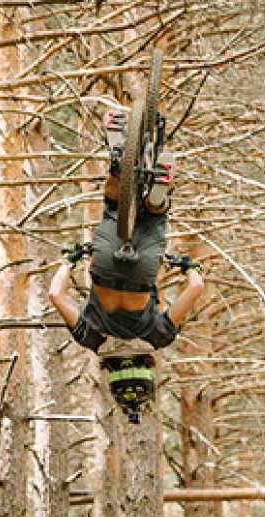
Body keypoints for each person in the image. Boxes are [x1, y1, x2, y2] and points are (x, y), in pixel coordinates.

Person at [46, 112, 204, 357]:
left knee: (154, 218)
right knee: (113, 206)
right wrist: (70, 260)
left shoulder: (156, 340)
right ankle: (119, 166)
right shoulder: (92, 341)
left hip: (142, 272)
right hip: (106, 265)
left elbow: (196, 287)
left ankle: (156, 202)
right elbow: (55, 294)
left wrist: (189, 266)